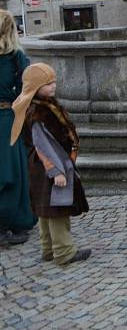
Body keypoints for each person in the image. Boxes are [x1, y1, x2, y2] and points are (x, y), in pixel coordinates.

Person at [9, 63, 90, 265]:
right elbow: (42, 145)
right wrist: (55, 171)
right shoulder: (38, 113)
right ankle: (64, 252)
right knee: (57, 210)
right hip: (51, 167)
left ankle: (47, 249)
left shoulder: (44, 106)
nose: (53, 86)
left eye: (54, 82)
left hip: (45, 168)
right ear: (35, 87)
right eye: (48, 83)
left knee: (44, 209)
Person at [0, 10, 36, 246]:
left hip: (7, 117)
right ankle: (6, 224)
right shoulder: (15, 58)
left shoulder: (15, 58)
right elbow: (30, 83)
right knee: (10, 170)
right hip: (5, 119)